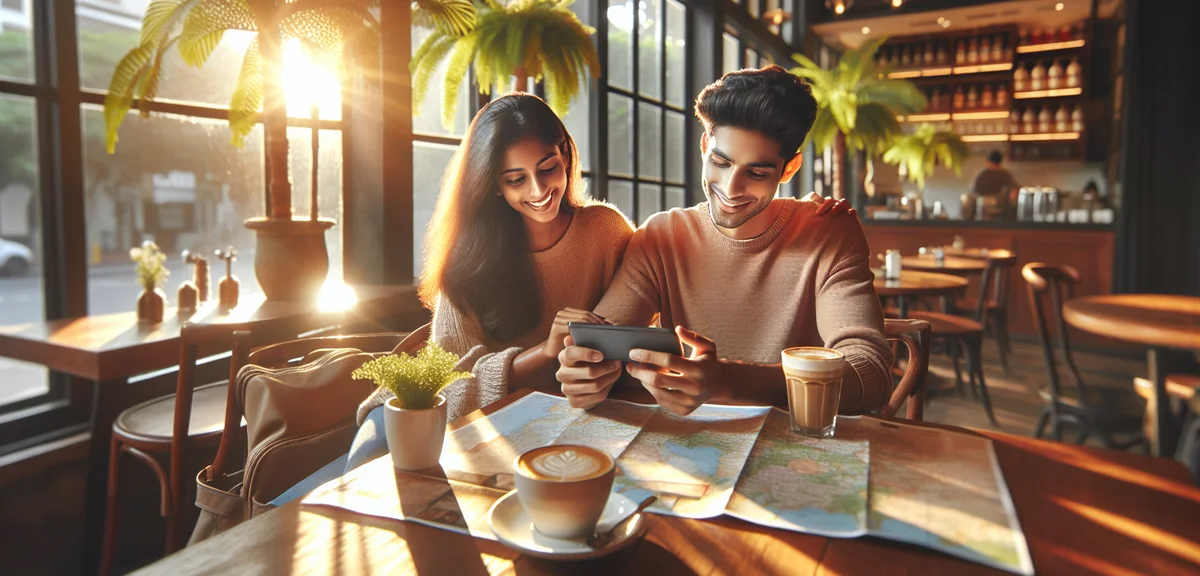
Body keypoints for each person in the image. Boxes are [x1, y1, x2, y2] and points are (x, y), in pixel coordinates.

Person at [556, 65, 892, 416]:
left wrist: (731, 382)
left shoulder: (829, 232)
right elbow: (601, 342)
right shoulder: (662, 236)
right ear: (705, 146)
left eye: (757, 173)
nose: (731, 188)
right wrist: (585, 374)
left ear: (789, 169)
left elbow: (869, 374)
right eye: (721, 161)